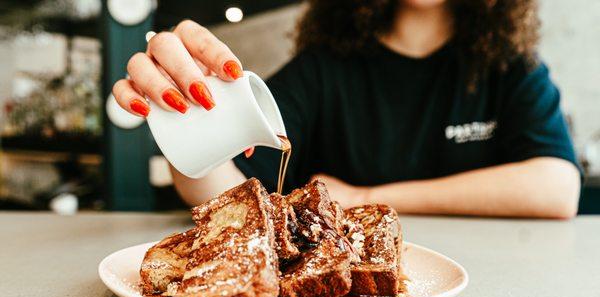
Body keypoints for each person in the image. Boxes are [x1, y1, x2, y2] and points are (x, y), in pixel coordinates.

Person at [112, 0, 581, 218]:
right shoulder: (323, 70)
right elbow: (223, 189)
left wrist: (362, 198)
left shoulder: (507, 67)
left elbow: (557, 188)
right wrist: (190, 119)